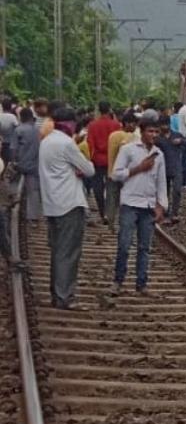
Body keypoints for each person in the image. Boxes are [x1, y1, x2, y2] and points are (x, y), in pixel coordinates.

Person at [39, 107, 95, 309]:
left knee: (57, 251)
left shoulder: (46, 141)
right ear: (70, 123)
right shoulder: (66, 143)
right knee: (69, 253)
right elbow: (89, 170)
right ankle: (65, 297)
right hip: (69, 204)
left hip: (52, 204)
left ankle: (56, 294)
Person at [109, 116, 167, 296]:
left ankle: (142, 283)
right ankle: (118, 280)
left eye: (156, 132)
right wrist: (138, 168)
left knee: (144, 247)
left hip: (148, 205)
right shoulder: (128, 150)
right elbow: (116, 174)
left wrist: (161, 205)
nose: (153, 135)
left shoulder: (159, 154)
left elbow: (161, 182)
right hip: (130, 202)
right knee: (124, 244)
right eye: (150, 131)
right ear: (141, 132)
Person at [86, 102, 120, 220]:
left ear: (99, 110)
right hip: (112, 160)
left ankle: (102, 211)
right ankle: (109, 211)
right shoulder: (116, 125)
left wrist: (90, 159)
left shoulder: (92, 125)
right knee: (111, 186)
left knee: (98, 187)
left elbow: (90, 144)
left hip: (97, 160)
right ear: (109, 109)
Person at [105, 112, 139, 226]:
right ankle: (122, 222)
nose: (134, 127)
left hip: (111, 172)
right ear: (127, 124)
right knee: (124, 199)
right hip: (125, 174)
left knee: (111, 197)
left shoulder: (112, 135)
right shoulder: (128, 136)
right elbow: (123, 148)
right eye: (133, 124)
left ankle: (110, 218)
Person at [156, 118, 186, 225]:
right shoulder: (158, 139)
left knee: (177, 191)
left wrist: (181, 141)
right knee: (165, 192)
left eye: (166, 125)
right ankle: (166, 213)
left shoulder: (177, 135)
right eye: (162, 125)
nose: (164, 127)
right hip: (163, 169)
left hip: (176, 167)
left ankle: (175, 213)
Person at [14, 109, 41, 221]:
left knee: (16, 187)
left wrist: (14, 161)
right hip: (34, 164)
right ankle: (33, 216)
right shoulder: (37, 131)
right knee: (33, 191)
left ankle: (15, 210)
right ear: (31, 118)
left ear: (21, 117)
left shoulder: (18, 130)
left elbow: (13, 148)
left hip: (20, 163)